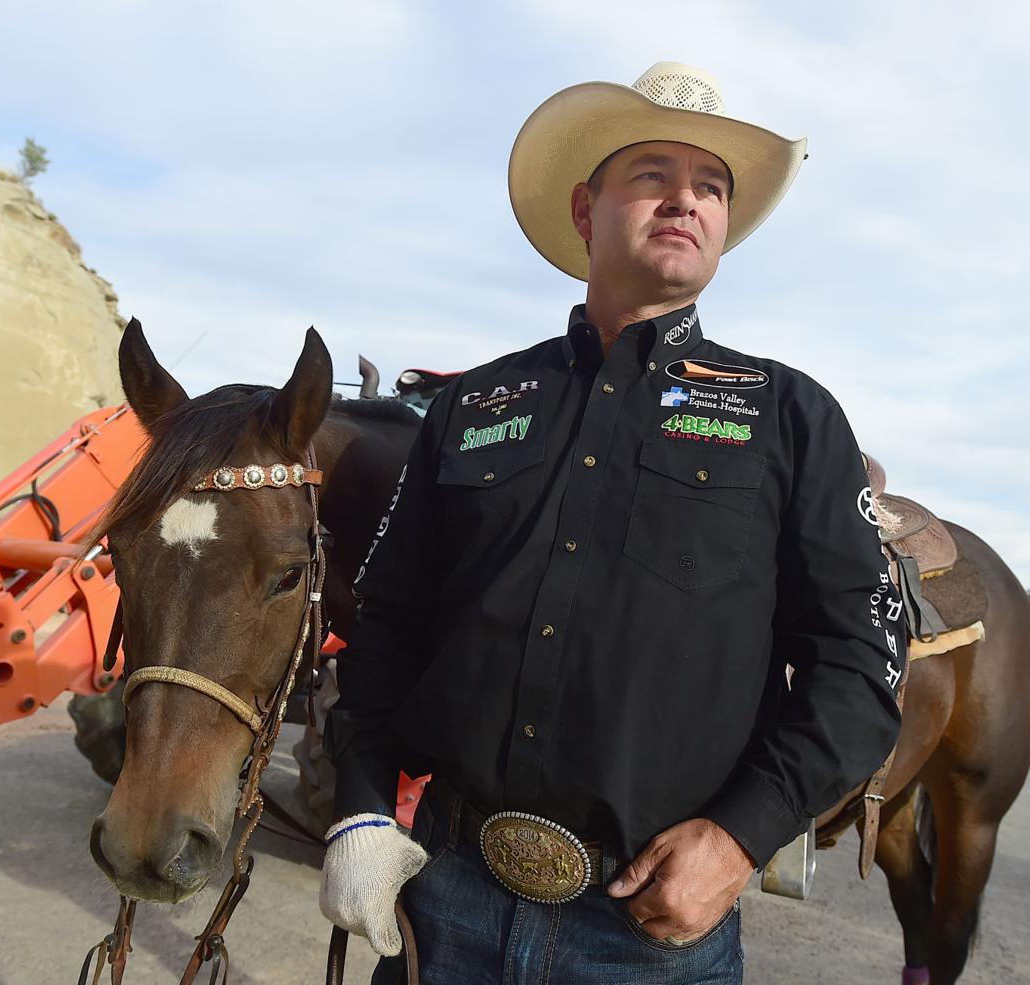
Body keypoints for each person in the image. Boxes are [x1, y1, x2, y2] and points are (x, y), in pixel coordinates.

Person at [320, 62, 906, 984]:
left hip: (647, 929)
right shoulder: (473, 407)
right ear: (587, 210)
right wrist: (359, 805)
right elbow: (386, 624)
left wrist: (741, 836)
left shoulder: (791, 416)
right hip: (447, 895)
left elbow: (860, 661)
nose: (687, 200)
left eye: (710, 186)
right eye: (655, 175)